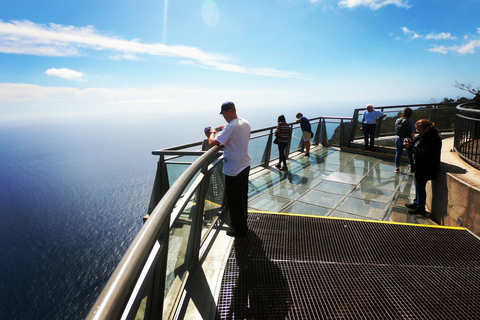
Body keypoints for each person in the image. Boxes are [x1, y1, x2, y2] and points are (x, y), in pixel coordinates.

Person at [208, 101, 251, 237]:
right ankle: (243, 222)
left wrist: (212, 133)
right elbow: (234, 132)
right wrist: (226, 128)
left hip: (234, 169)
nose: (224, 117)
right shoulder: (244, 122)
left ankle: (239, 230)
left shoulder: (231, 127)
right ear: (235, 110)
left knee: (235, 201)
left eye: (224, 114)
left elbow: (212, 143)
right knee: (242, 196)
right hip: (244, 164)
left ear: (225, 113)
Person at [403, 119, 442, 215]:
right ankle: (416, 203)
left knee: (420, 187)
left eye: (420, 130)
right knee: (417, 185)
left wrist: (411, 147)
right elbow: (416, 144)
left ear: (427, 128)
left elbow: (423, 153)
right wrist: (410, 142)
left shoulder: (433, 139)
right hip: (419, 166)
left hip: (425, 167)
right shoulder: (423, 136)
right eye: (417, 130)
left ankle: (420, 208)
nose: (418, 132)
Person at [394, 107, 416, 173]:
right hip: (407, 138)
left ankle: (397, 167)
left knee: (398, 153)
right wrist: (413, 139)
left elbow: (395, 129)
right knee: (409, 153)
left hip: (398, 138)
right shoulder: (410, 121)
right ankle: (411, 165)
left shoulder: (398, 120)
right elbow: (412, 131)